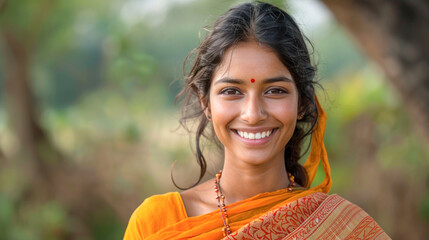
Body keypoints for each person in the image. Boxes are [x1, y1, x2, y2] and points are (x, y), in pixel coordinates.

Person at [123, 2, 391, 239]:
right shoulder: (156, 224)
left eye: (275, 91)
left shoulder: (339, 229)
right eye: (232, 91)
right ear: (206, 103)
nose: (253, 114)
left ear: (302, 103)